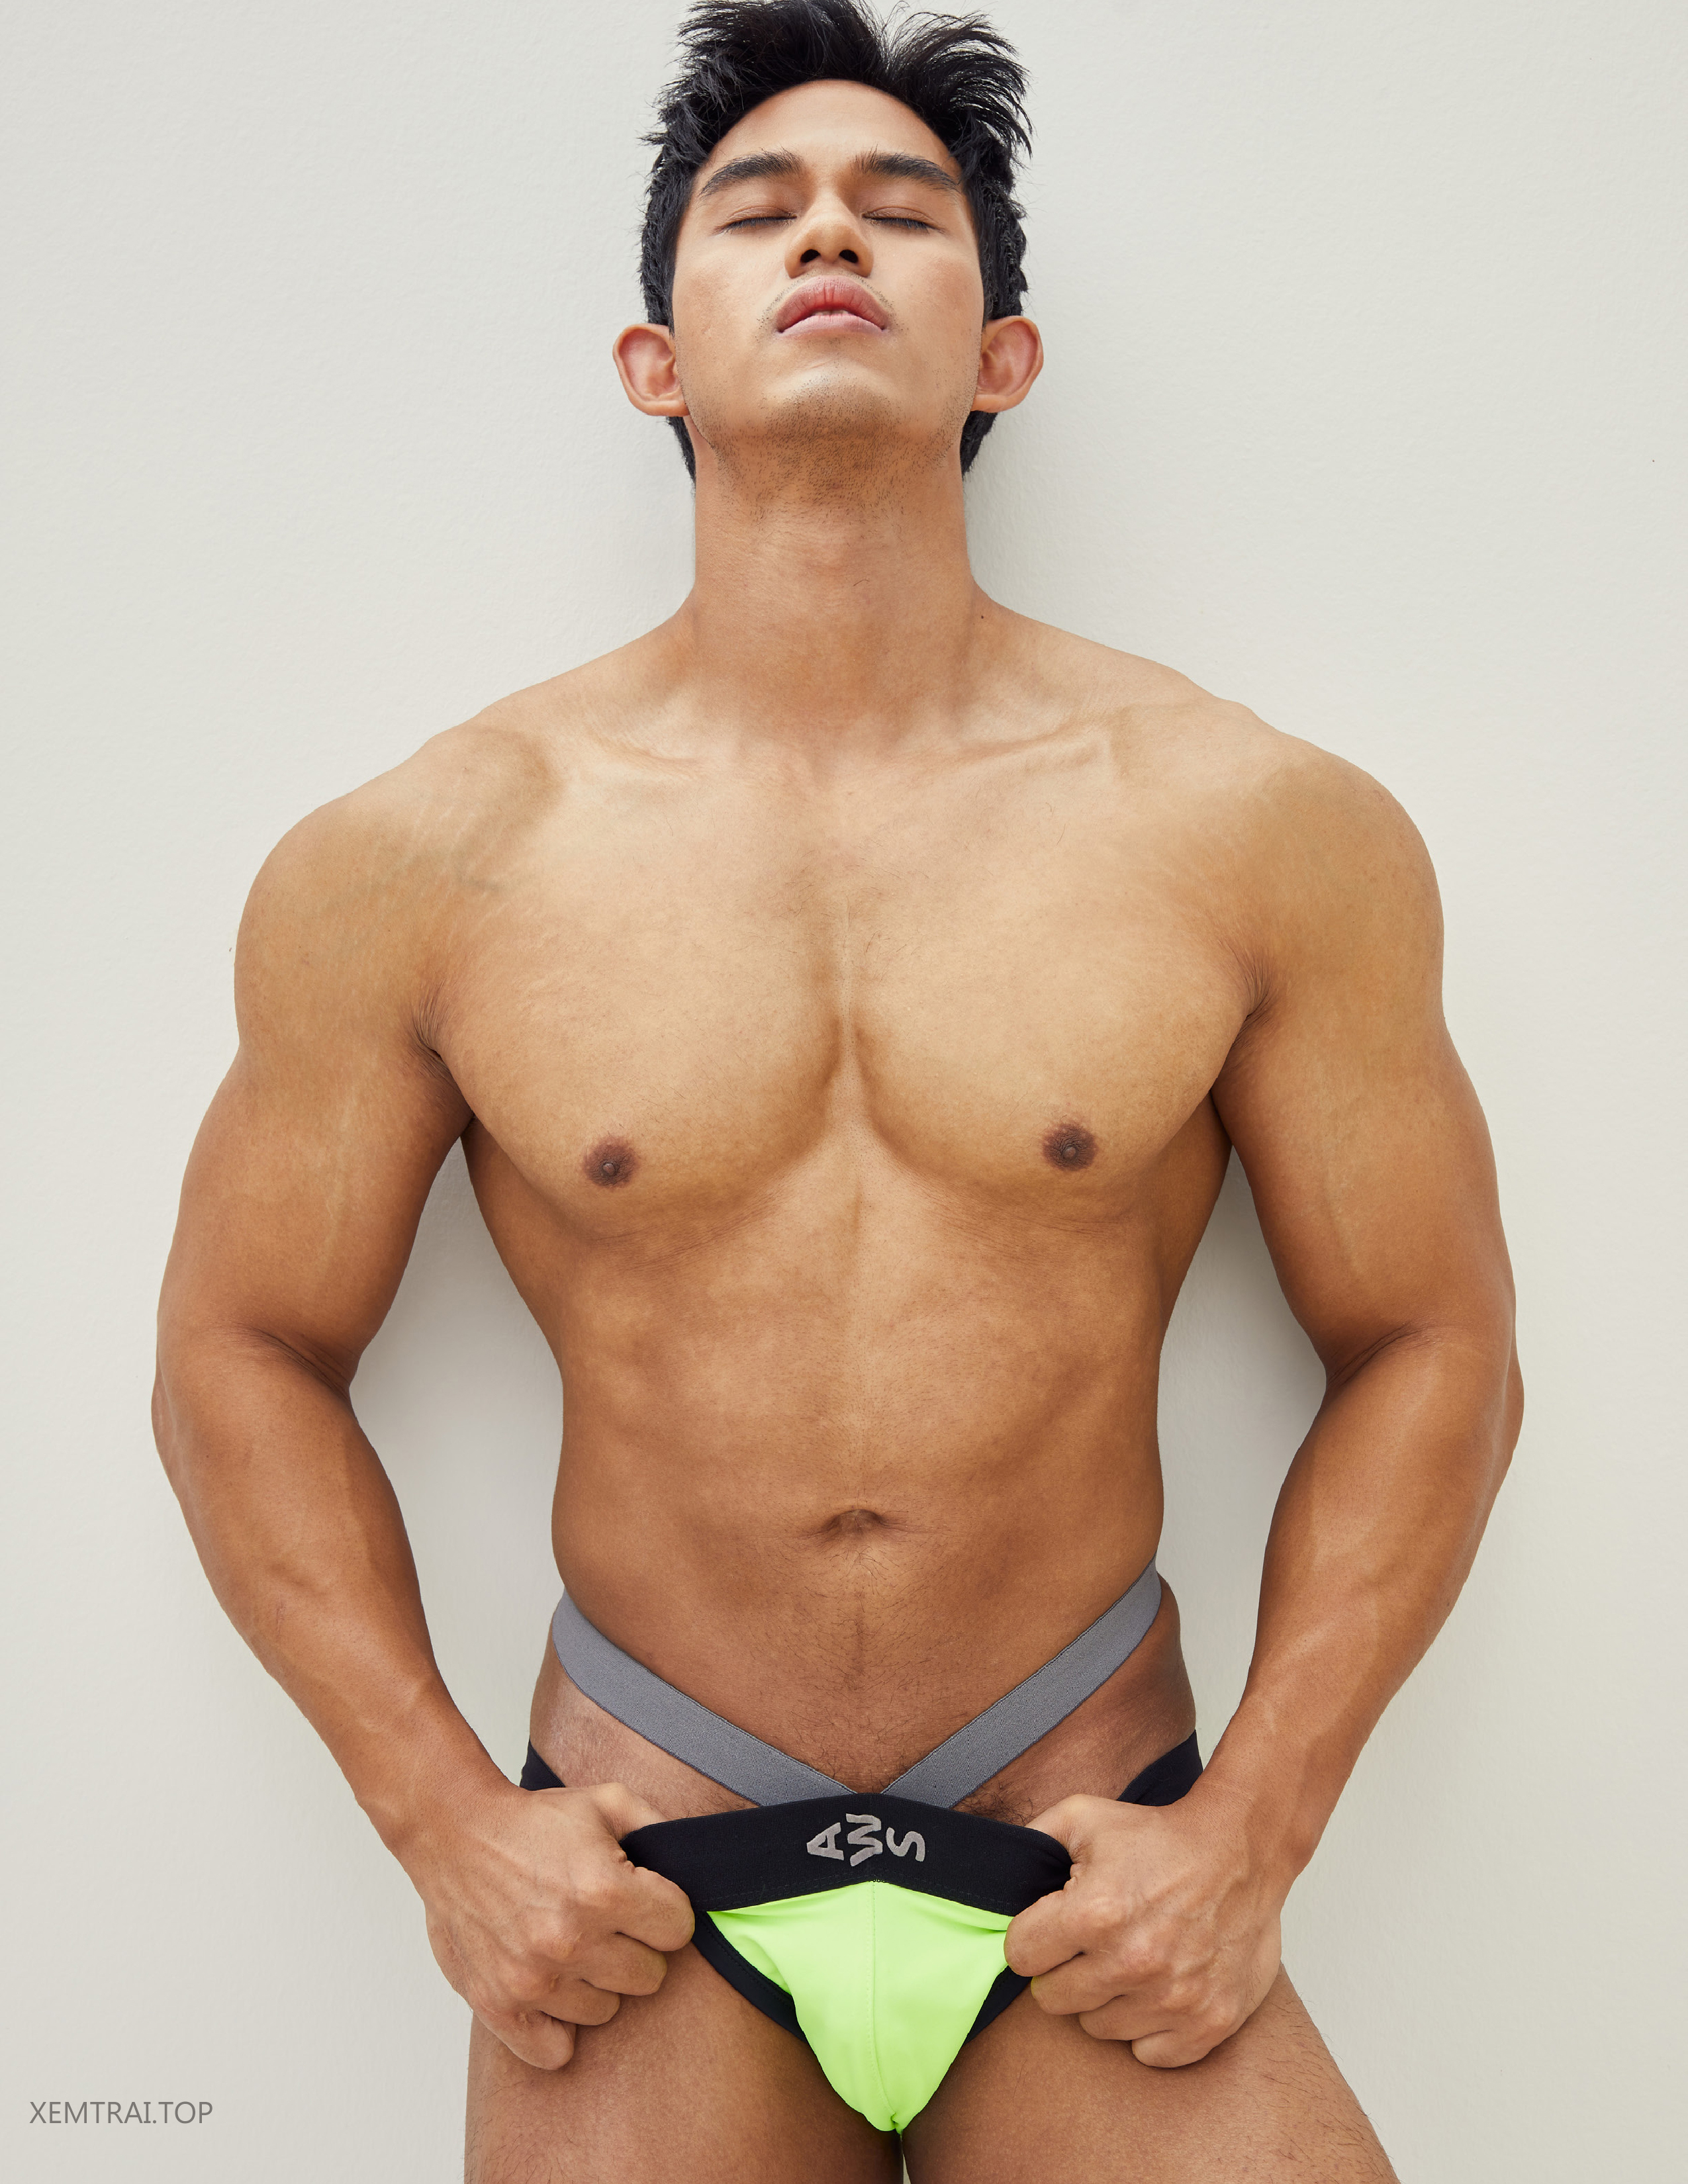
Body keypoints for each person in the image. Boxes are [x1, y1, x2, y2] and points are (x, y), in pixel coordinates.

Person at [152, 3, 1522, 2177]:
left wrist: (1257, 1826)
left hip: (1088, 1826)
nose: (829, 235)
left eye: (904, 208)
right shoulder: (424, 859)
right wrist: (443, 1824)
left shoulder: (1255, 827)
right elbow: (238, 1349)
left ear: (1004, 356)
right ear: (653, 360)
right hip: (646, 1858)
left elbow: (1433, 1338)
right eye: (756, 207)